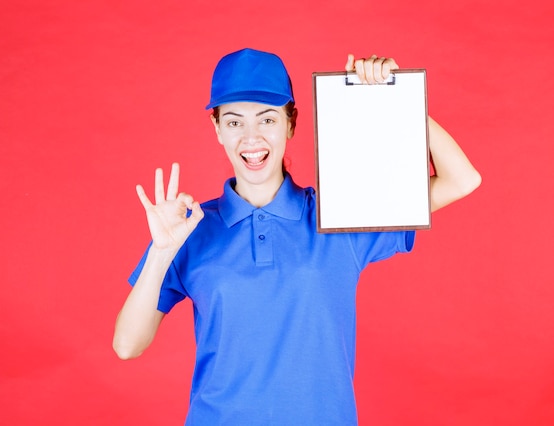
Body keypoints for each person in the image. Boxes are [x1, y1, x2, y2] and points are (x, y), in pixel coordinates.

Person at [113, 48, 481, 425]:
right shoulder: (188, 227)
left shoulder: (338, 217)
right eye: (235, 122)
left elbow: (462, 180)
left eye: (267, 119)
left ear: (291, 123)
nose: (252, 138)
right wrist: (161, 253)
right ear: (217, 129)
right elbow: (127, 345)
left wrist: (395, 96)